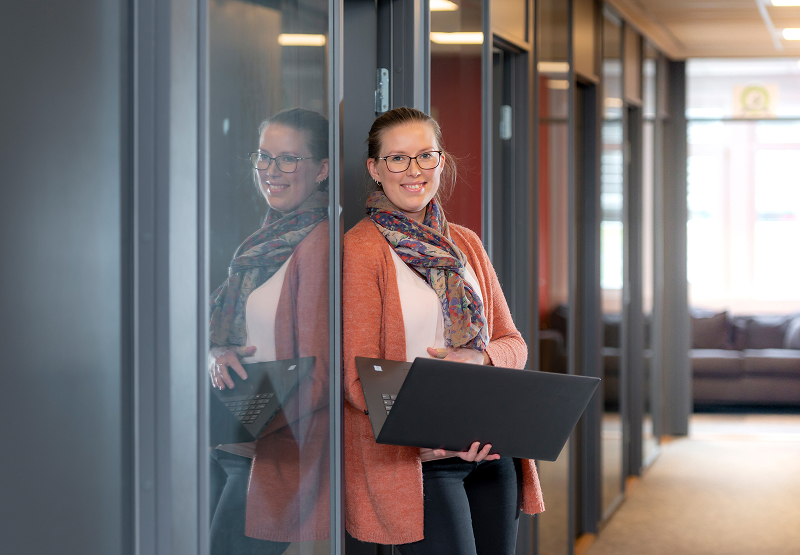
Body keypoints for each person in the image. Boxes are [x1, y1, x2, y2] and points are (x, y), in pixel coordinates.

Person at [342, 107, 545, 554]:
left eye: (425, 156)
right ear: (374, 169)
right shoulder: (359, 250)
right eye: (397, 159)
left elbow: (514, 344)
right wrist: (433, 432)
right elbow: (358, 382)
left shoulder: (466, 242)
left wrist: (480, 356)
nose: (414, 171)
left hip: (492, 449)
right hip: (423, 460)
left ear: (441, 161)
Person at [208, 108, 331, 554]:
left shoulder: (320, 245)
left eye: (288, 159)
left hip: (273, 451)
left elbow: (321, 372)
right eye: (263, 156)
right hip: (236, 444)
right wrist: (216, 355)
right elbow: (229, 337)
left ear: (322, 169)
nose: (271, 172)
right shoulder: (265, 241)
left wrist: (235, 422)